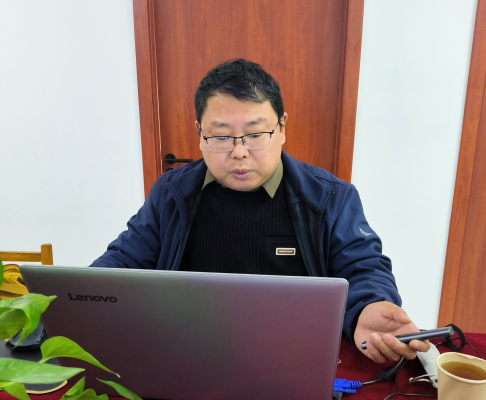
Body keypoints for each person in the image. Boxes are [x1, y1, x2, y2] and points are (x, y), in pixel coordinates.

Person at [91, 59, 430, 364]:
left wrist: (369, 306)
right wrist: (85, 296)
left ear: (281, 128)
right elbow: (124, 260)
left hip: (293, 356)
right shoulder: (171, 193)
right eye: (221, 137)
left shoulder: (330, 198)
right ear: (200, 134)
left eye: (255, 134)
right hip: (187, 351)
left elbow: (363, 266)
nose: (239, 152)